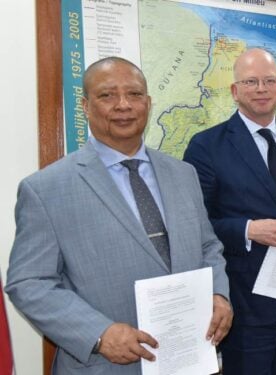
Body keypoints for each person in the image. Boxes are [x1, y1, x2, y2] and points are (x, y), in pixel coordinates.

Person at [4, 56, 232, 374]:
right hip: (104, 365)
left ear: (149, 104)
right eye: (107, 95)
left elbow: (208, 247)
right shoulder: (46, 189)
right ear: (85, 106)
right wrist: (98, 333)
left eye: (135, 94)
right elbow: (29, 282)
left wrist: (218, 294)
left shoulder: (183, 174)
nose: (123, 105)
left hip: (188, 357)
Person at [182, 48, 276, 375]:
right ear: (234, 90)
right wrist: (248, 230)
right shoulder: (206, 146)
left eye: (269, 80)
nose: (261, 89)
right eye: (250, 81)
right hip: (244, 304)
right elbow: (195, 225)